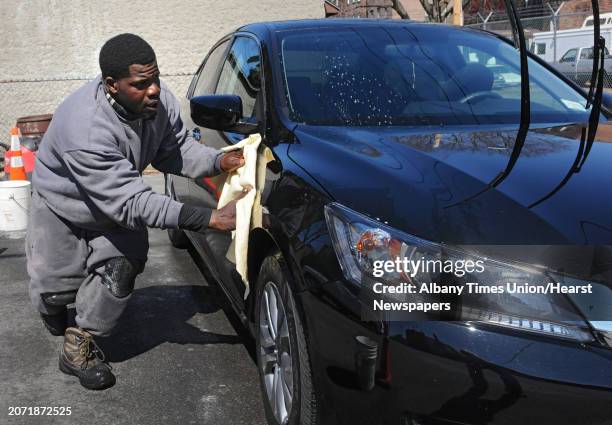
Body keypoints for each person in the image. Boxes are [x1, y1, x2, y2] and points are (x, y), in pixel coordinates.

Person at [25, 33, 245, 390]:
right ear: (112, 85)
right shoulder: (86, 127)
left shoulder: (157, 105)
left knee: (120, 269)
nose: (154, 89)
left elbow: (175, 151)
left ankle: (78, 347)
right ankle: (54, 306)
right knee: (56, 294)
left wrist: (219, 160)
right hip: (62, 207)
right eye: (141, 84)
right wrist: (208, 219)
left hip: (117, 203)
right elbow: (133, 201)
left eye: (155, 79)